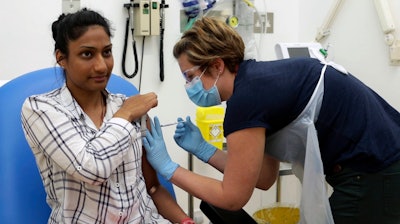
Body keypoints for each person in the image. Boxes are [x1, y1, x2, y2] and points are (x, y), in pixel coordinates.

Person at [142, 16, 400, 224]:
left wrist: (168, 168)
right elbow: (264, 178)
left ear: (217, 65)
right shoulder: (257, 82)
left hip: (376, 173)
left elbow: (232, 198)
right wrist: (204, 149)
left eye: (190, 76)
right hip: (380, 164)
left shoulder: (247, 101)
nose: (188, 87)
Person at [21, 8, 194, 224]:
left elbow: (152, 187)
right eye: (87, 54)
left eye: (107, 52)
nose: (102, 66)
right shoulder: (40, 109)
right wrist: (125, 114)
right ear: (61, 58)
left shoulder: (127, 106)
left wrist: (186, 221)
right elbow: (91, 169)